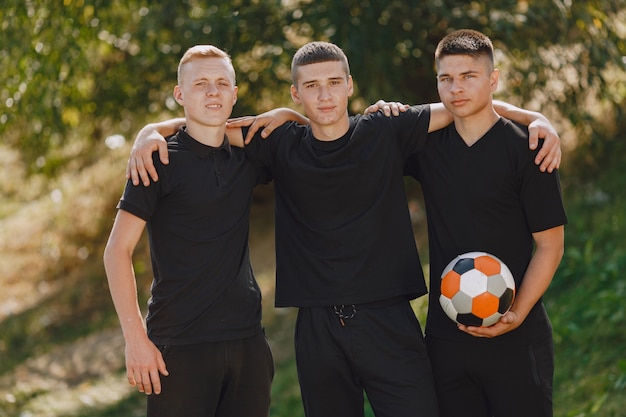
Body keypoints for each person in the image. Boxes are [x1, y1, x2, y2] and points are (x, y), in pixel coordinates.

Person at [127, 41, 562, 417]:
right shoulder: (280, 144)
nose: (325, 95)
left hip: (388, 320)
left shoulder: (386, 130)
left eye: (334, 82)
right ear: (296, 94)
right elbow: (211, 125)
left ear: (350, 85)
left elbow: (463, 102)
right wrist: (153, 130)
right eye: (311, 86)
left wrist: (533, 117)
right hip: (318, 329)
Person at [102, 45, 278, 417]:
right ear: (180, 95)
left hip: (248, 342)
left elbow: (316, 131)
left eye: (221, 83)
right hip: (179, 346)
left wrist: (286, 112)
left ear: (234, 93)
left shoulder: (248, 156)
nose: (212, 91)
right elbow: (116, 251)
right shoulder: (158, 159)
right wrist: (135, 340)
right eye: (200, 84)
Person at [403, 29, 566, 417]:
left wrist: (517, 314)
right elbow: (360, 142)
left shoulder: (529, 148)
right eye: (446, 78)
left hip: (518, 338)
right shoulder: (425, 148)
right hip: (447, 339)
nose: (456, 88)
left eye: (468, 76)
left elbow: (550, 245)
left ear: (493, 80)